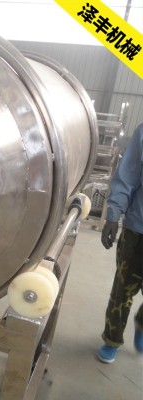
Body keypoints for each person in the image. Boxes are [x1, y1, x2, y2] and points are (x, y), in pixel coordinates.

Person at [98, 122, 143, 363]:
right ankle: (112, 339)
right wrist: (113, 214)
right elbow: (128, 176)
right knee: (122, 290)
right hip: (138, 229)